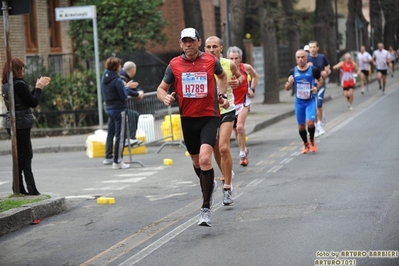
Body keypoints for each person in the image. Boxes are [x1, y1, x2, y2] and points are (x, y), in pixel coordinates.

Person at [157, 28, 228, 227]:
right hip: (188, 119)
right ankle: (209, 185)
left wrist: (221, 96)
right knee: (197, 164)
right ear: (180, 44)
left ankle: (205, 208)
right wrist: (166, 97)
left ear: (199, 42)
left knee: (206, 158)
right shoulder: (174, 65)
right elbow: (161, 89)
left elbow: (222, 78)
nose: (188, 44)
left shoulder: (210, 61)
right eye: (184, 41)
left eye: (191, 41)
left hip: (209, 116)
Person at [1, 57, 51, 195]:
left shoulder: (6, 84)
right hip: (21, 123)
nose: (23, 70)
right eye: (21, 67)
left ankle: (23, 187)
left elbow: (27, 100)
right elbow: (33, 102)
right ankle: (25, 187)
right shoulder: (19, 84)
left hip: (13, 122)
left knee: (23, 155)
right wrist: (39, 88)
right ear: (17, 69)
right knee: (24, 156)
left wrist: (36, 88)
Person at [204, 36, 242, 206]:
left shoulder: (229, 64)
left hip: (227, 108)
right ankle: (227, 173)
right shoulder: (201, 64)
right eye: (208, 47)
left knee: (224, 147)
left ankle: (227, 187)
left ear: (221, 48)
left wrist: (236, 82)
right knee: (215, 147)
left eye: (214, 47)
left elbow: (240, 77)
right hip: (208, 111)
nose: (211, 50)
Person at [226, 46, 259, 167]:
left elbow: (255, 76)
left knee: (240, 127)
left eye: (236, 58)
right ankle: (244, 149)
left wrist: (252, 89)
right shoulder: (225, 69)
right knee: (236, 130)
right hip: (231, 103)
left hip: (244, 102)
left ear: (240, 58)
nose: (234, 61)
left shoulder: (246, 68)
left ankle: (242, 154)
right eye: (231, 58)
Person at [285, 49, 322, 154]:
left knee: (310, 123)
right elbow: (287, 88)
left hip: (310, 101)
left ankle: (312, 140)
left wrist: (316, 87)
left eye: (302, 57)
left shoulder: (313, 70)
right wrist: (289, 82)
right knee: (301, 126)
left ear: (306, 58)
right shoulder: (293, 72)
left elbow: (320, 80)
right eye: (298, 57)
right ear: (296, 59)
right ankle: (305, 143)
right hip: (299, 102)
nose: (300, 59)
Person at [101, 57, 130, 169]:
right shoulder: (117, 80)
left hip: (109, 108)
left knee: (111, 133)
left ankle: (110, 157)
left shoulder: (105, 78)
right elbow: (123, 95)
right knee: (120, 136)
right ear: (116, 67)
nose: (121, 67)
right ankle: (117, 161)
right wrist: (126, 87)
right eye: (119, 65)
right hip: (119, 109)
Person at [307, 40, 331, 137]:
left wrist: (326, 71)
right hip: (309, 87)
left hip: (320, 85)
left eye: (314, 47)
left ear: (317, 48)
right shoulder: (306, 58)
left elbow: (328, 66)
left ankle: (320, 125)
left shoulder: (322, 57)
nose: (312, 49)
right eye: (310, 47)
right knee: (312, 107)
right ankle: (314, 126)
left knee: (319, 106)